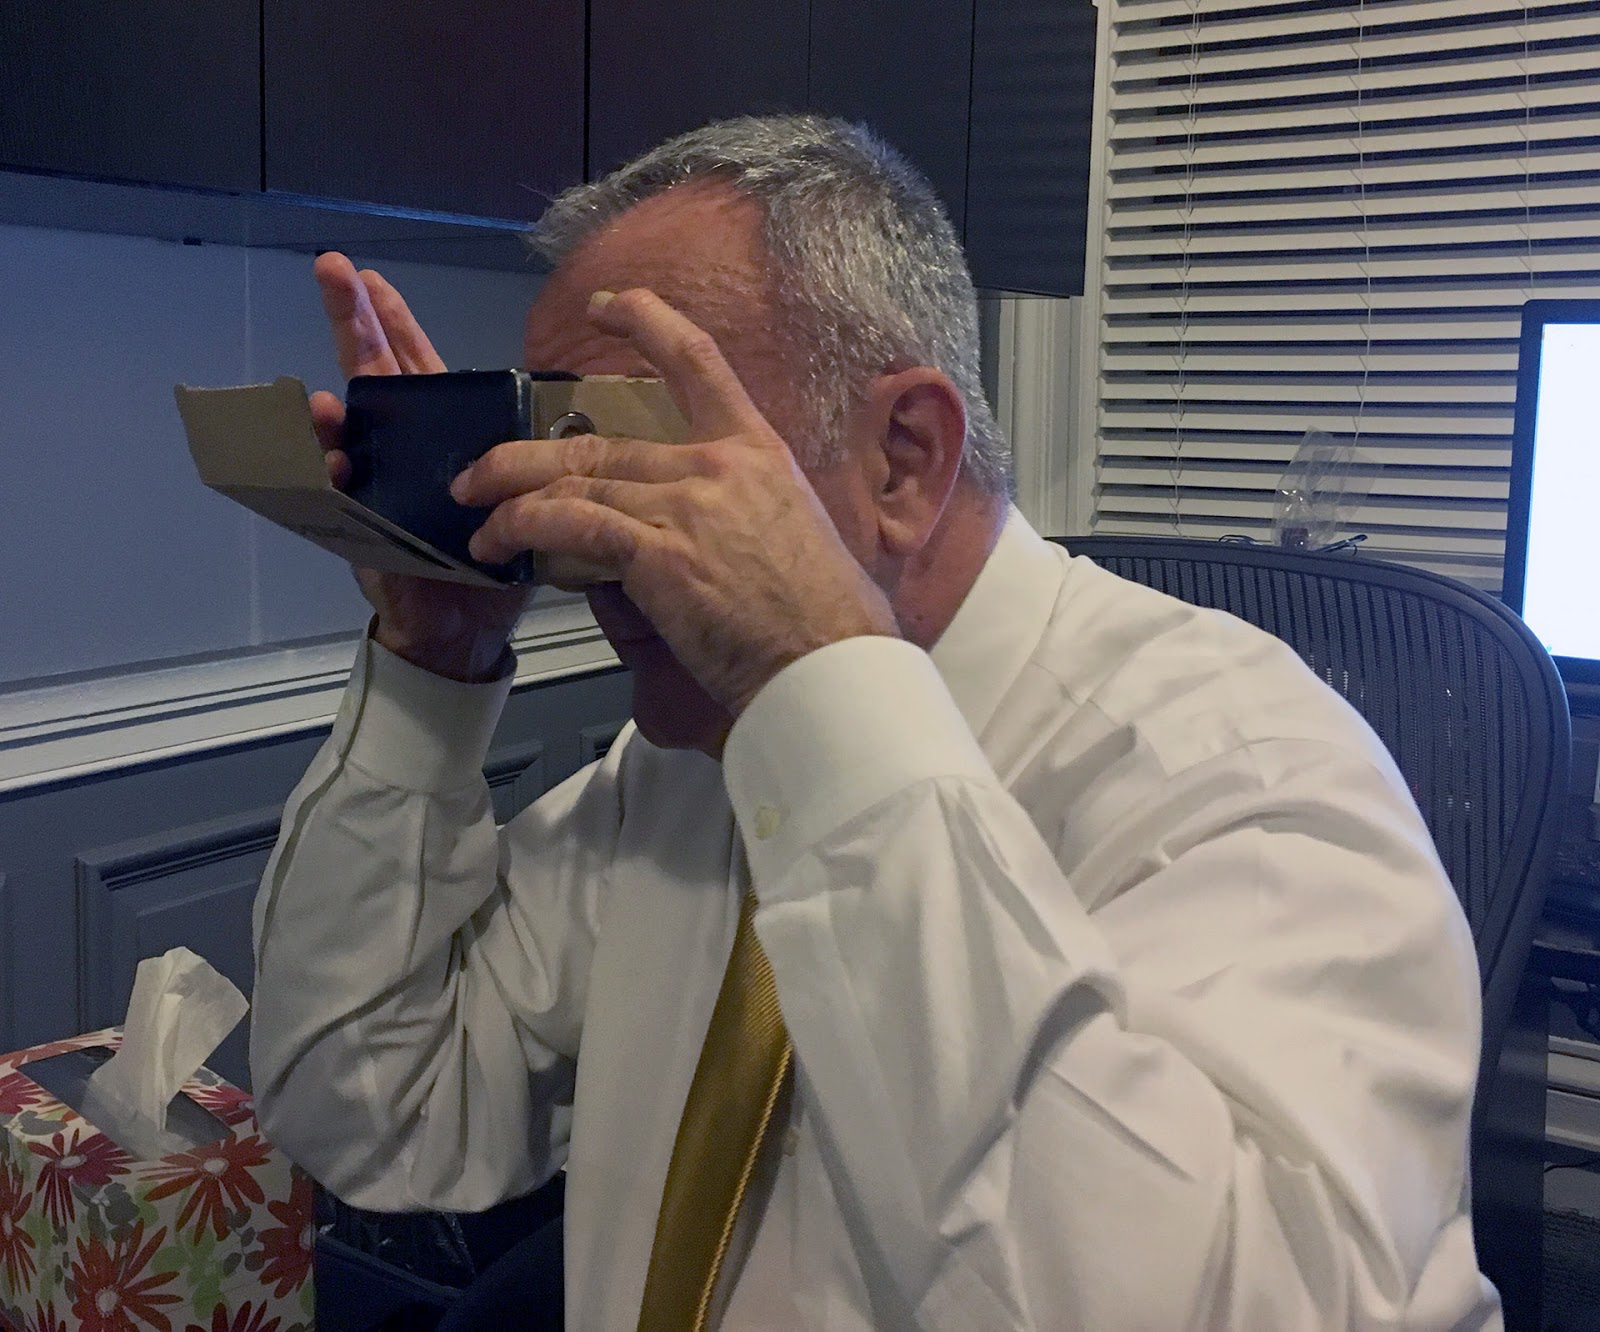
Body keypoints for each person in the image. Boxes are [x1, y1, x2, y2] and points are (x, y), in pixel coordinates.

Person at [250, 115, 1501, 1329]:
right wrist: (435, 656)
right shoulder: (679, 775)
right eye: (557, 451)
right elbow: (372, 1105)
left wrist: (827, 691)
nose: (575, 538)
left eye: (638, 451)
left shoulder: (1245, 778)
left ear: (902, 457)